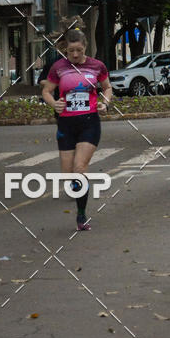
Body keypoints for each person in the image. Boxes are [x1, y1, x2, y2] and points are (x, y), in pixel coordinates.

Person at [41, 29, 112, 231]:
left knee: (80, 167)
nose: (74, 55)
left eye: (79, 50)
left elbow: (107, 87)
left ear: (85, 48)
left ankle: (81, 216)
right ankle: (77, 189)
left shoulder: (97, 66)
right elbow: (47, 90)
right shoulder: (58, 67)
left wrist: (105, 103)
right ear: (66, 49)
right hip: (66, 124)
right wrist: (53, 104)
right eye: (71, 50)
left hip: (89, 122)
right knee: (67, 174)